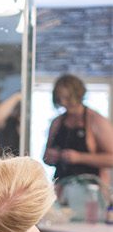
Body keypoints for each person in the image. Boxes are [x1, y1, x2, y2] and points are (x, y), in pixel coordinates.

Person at [43, 73, 113, 203]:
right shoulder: (57, 122)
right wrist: (53, 156)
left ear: (77, 95)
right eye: (59, 98)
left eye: (66, 98)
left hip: (91, 193)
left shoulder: (96, 121)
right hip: (61, 191)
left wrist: (79, 158)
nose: (63, 102)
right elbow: (46, 157)